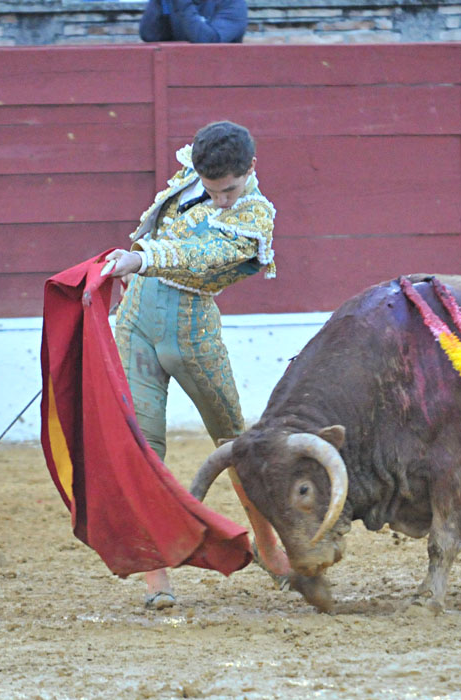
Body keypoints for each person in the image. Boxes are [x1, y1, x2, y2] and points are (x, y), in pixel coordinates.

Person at [101, 121, 279, 609]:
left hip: (192, 331)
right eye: (213, 189)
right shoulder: (187, 179)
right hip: (136, 322)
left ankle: (269, 547)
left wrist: (140, 260)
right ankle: (155, 574)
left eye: (230, 190)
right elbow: (157, 224)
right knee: (142, 447)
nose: (221, 200)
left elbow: (201, 256)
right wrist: (129, 269)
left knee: (233, 441)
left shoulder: (256, 217)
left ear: (251, 169)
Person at [139, 0, 248, 44]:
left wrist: (182, 4)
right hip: (178, 74)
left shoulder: (232, 3)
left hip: (219, 77)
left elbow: (209, 42)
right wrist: (158, 2)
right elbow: (150, 35)